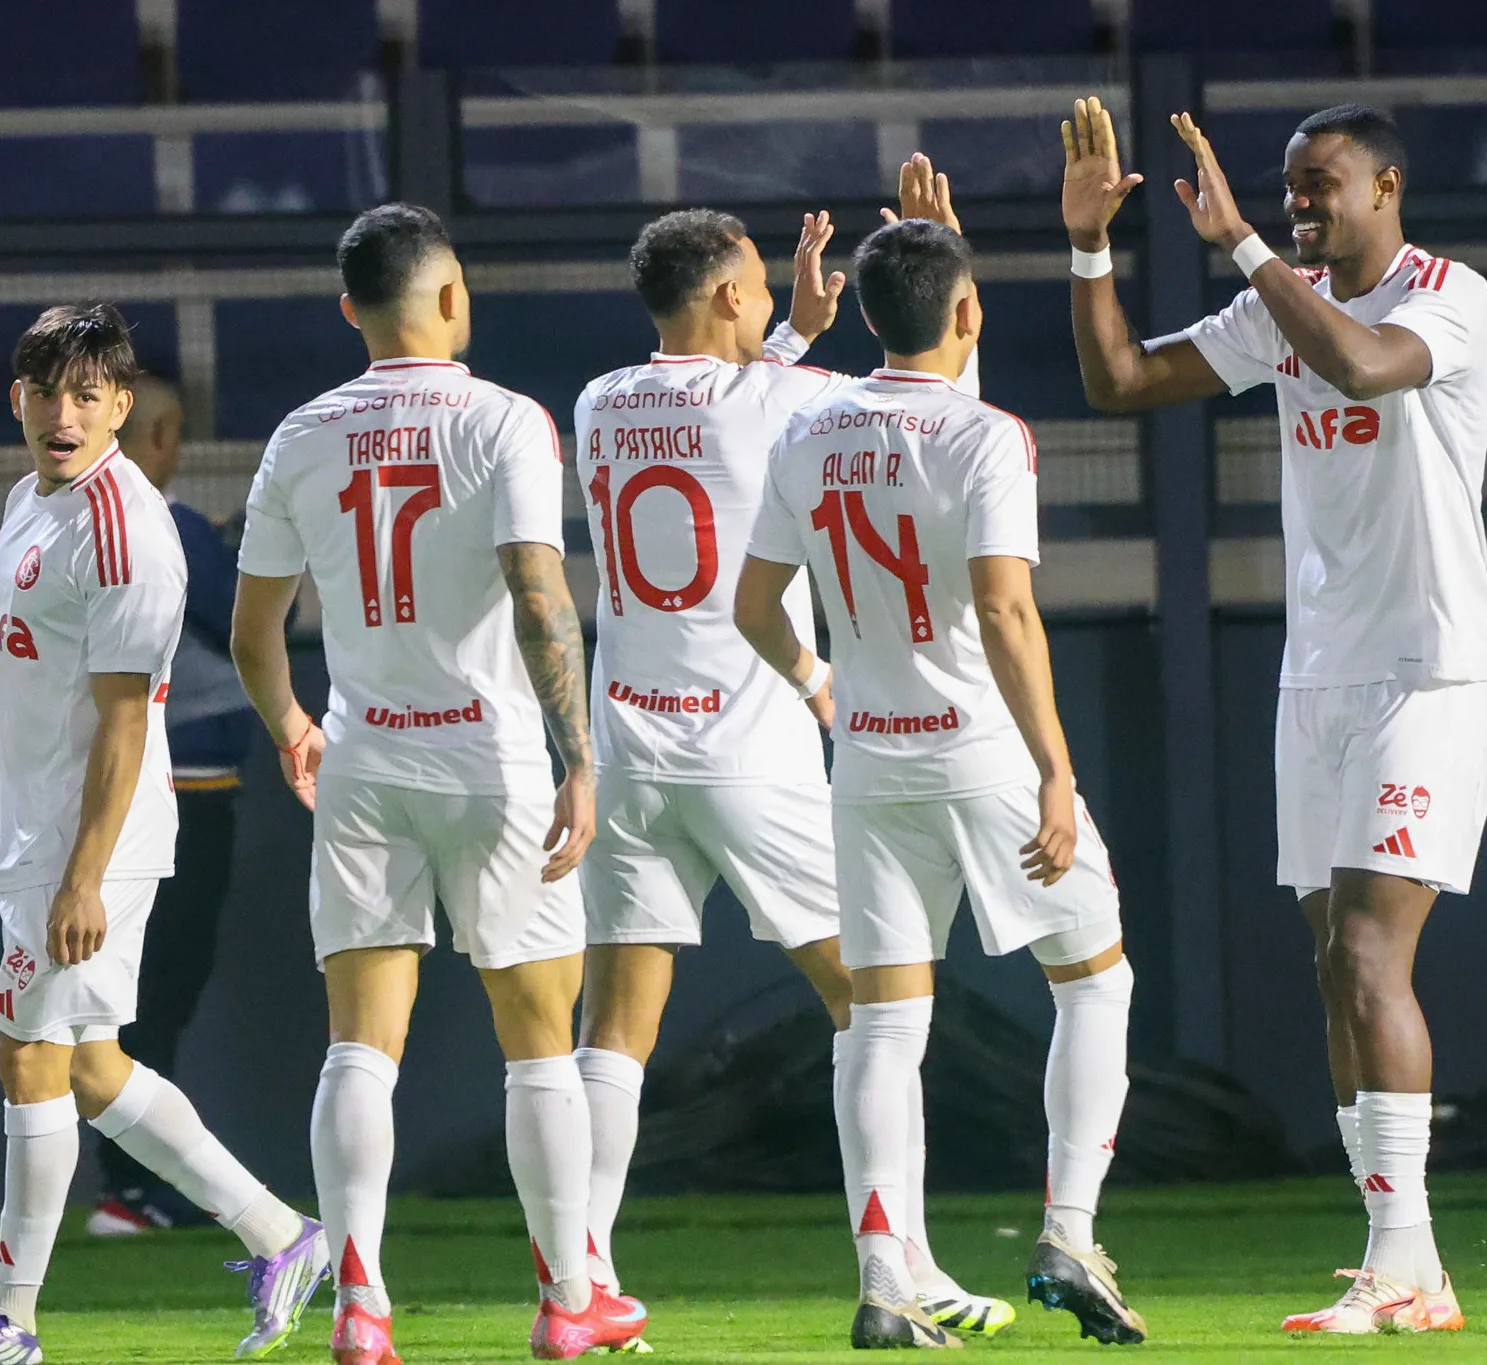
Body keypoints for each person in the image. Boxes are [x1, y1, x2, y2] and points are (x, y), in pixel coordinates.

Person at [1059, 96, 1487, 1334]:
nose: (1299, 203)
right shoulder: (1277, 303)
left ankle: (1400, 1260)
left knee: (1366, 954)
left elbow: (1360, 364)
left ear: (1387, 188)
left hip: (1428, 670)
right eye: (1290, 185)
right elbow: (1119, 380)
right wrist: (1089, 247)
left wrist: (1245, 244)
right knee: (1331, 968)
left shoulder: (1445, 296)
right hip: (1317, 677)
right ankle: (1405, 1263)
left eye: (1321, 184)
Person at [570, 158, 1010, 1337]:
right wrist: (938, 268)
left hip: (627, 747)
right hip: (748, 743)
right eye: (761, 283)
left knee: (615, 1025)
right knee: (876, 1005)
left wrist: (787, 337)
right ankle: (899, 1268)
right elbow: (926, 405)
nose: (776, 295)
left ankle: (581, 1284)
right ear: (725, 295)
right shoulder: (785, 401)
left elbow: (716, 406)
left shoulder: (600, 402)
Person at [229, 204, 646, 1363]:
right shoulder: (505, 420)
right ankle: (569, 1300)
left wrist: (292, 727)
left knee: (359, 1048)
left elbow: (255, 632)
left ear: (349, 309)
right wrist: (579, 758)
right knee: (539, 1042)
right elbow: (539, 598)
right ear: (452, 297)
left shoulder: (300, 435)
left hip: (364, 759)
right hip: (491, 761)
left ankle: (360, 1307)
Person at [736, 218, 1143, 1350]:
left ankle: (883, 1278)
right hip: (981, 751)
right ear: (967, 313)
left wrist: (820, 686)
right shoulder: (988, 434)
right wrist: (1056, 770)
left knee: (880, 1022)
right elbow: (1004, 608)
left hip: (870, 758)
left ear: (868, 314)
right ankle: (1068, 1233)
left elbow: (753, 606)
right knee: (1093, 982)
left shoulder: (807, 431)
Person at [0, 304, 328, 1365]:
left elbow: (128, 720)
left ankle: (11, 1320)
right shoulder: (30, 500)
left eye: (87, 395)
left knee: (26, 1051)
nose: (64, 414)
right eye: (46, 393)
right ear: (17, 401)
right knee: (89, 1064)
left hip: (95, 839)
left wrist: (83, 877)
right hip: (42, 828)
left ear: (122, 405)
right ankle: (281, 1234)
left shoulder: (125, 529)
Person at [88, 372, 266, 1238]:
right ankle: (134, 1188)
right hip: (179, 793)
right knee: (156, 993)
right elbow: (248, 619)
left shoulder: (76, 522)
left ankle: (131, 1184)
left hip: (103, 791)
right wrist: (241, 549)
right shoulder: (168, 524)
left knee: (122, 995)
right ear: (158, 438)